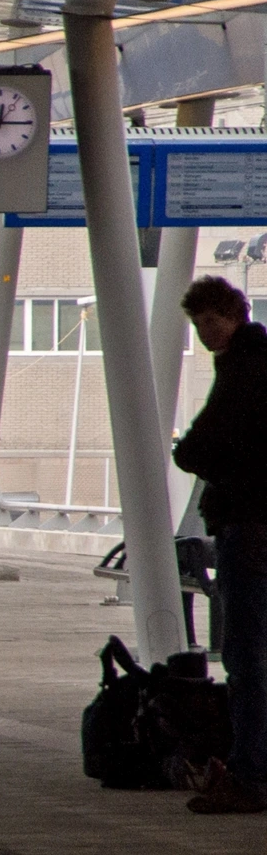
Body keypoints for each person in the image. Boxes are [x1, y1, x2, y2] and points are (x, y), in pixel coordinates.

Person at [171, 276, 267, 814]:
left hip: (248, 529)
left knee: (246, 656)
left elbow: (197, 448)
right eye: (198, 327)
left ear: (233, 315)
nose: (206, 335)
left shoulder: (242, 371)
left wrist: (203, 457)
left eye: (211, 323)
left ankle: (251, 773)